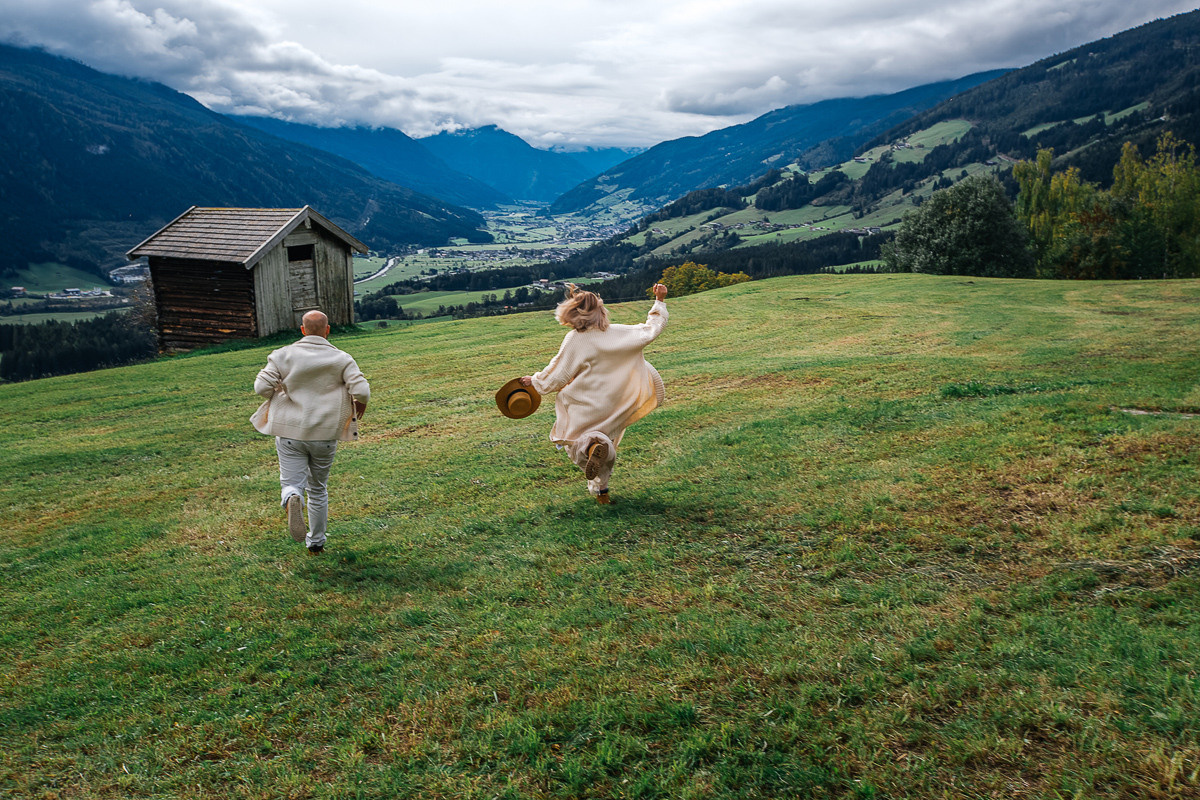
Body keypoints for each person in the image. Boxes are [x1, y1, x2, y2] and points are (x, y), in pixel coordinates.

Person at [521, 283, 669, 503]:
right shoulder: (618, 332)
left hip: (586, 401)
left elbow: (558, 373)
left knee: (574, 441)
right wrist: (660, 300)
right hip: (616, 400)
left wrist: (534, 381)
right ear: (601, 311)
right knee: (606, 440)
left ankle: (591, 447)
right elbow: (651, 330)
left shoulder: (576, 339)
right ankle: (602, 492)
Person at [252, 309, 369, 553]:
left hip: (290, 432)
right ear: (328, 330)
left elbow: (261, 387)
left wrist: (278, 394)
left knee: (291, 481)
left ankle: (292, 496)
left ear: (302, 330)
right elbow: (362, 392)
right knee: (318, 489)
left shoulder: (283, 355)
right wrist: (357, 413)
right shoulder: (342, 358)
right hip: (325, 435)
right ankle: (316, 542)